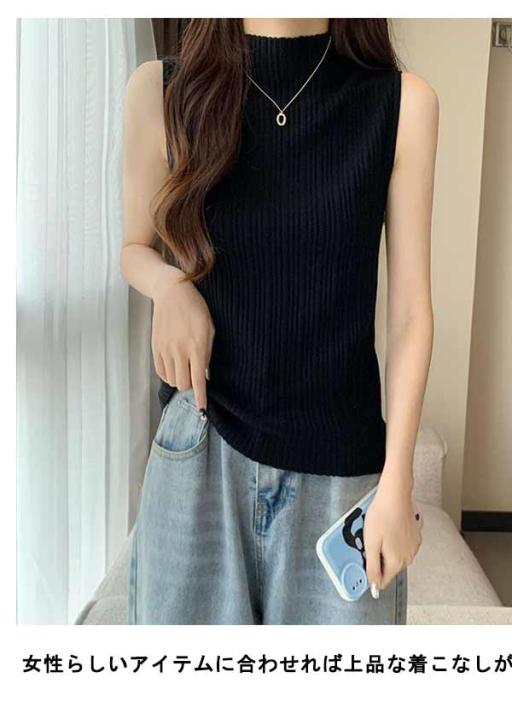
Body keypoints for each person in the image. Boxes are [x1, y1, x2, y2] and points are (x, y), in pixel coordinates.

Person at [121, 17, 438, 625]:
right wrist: (168, 285)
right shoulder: (161, 91)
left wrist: (398, 481)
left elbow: (409, 317)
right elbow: (134, 248)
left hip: (341, 471)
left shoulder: (403, 105)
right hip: (200, 447)